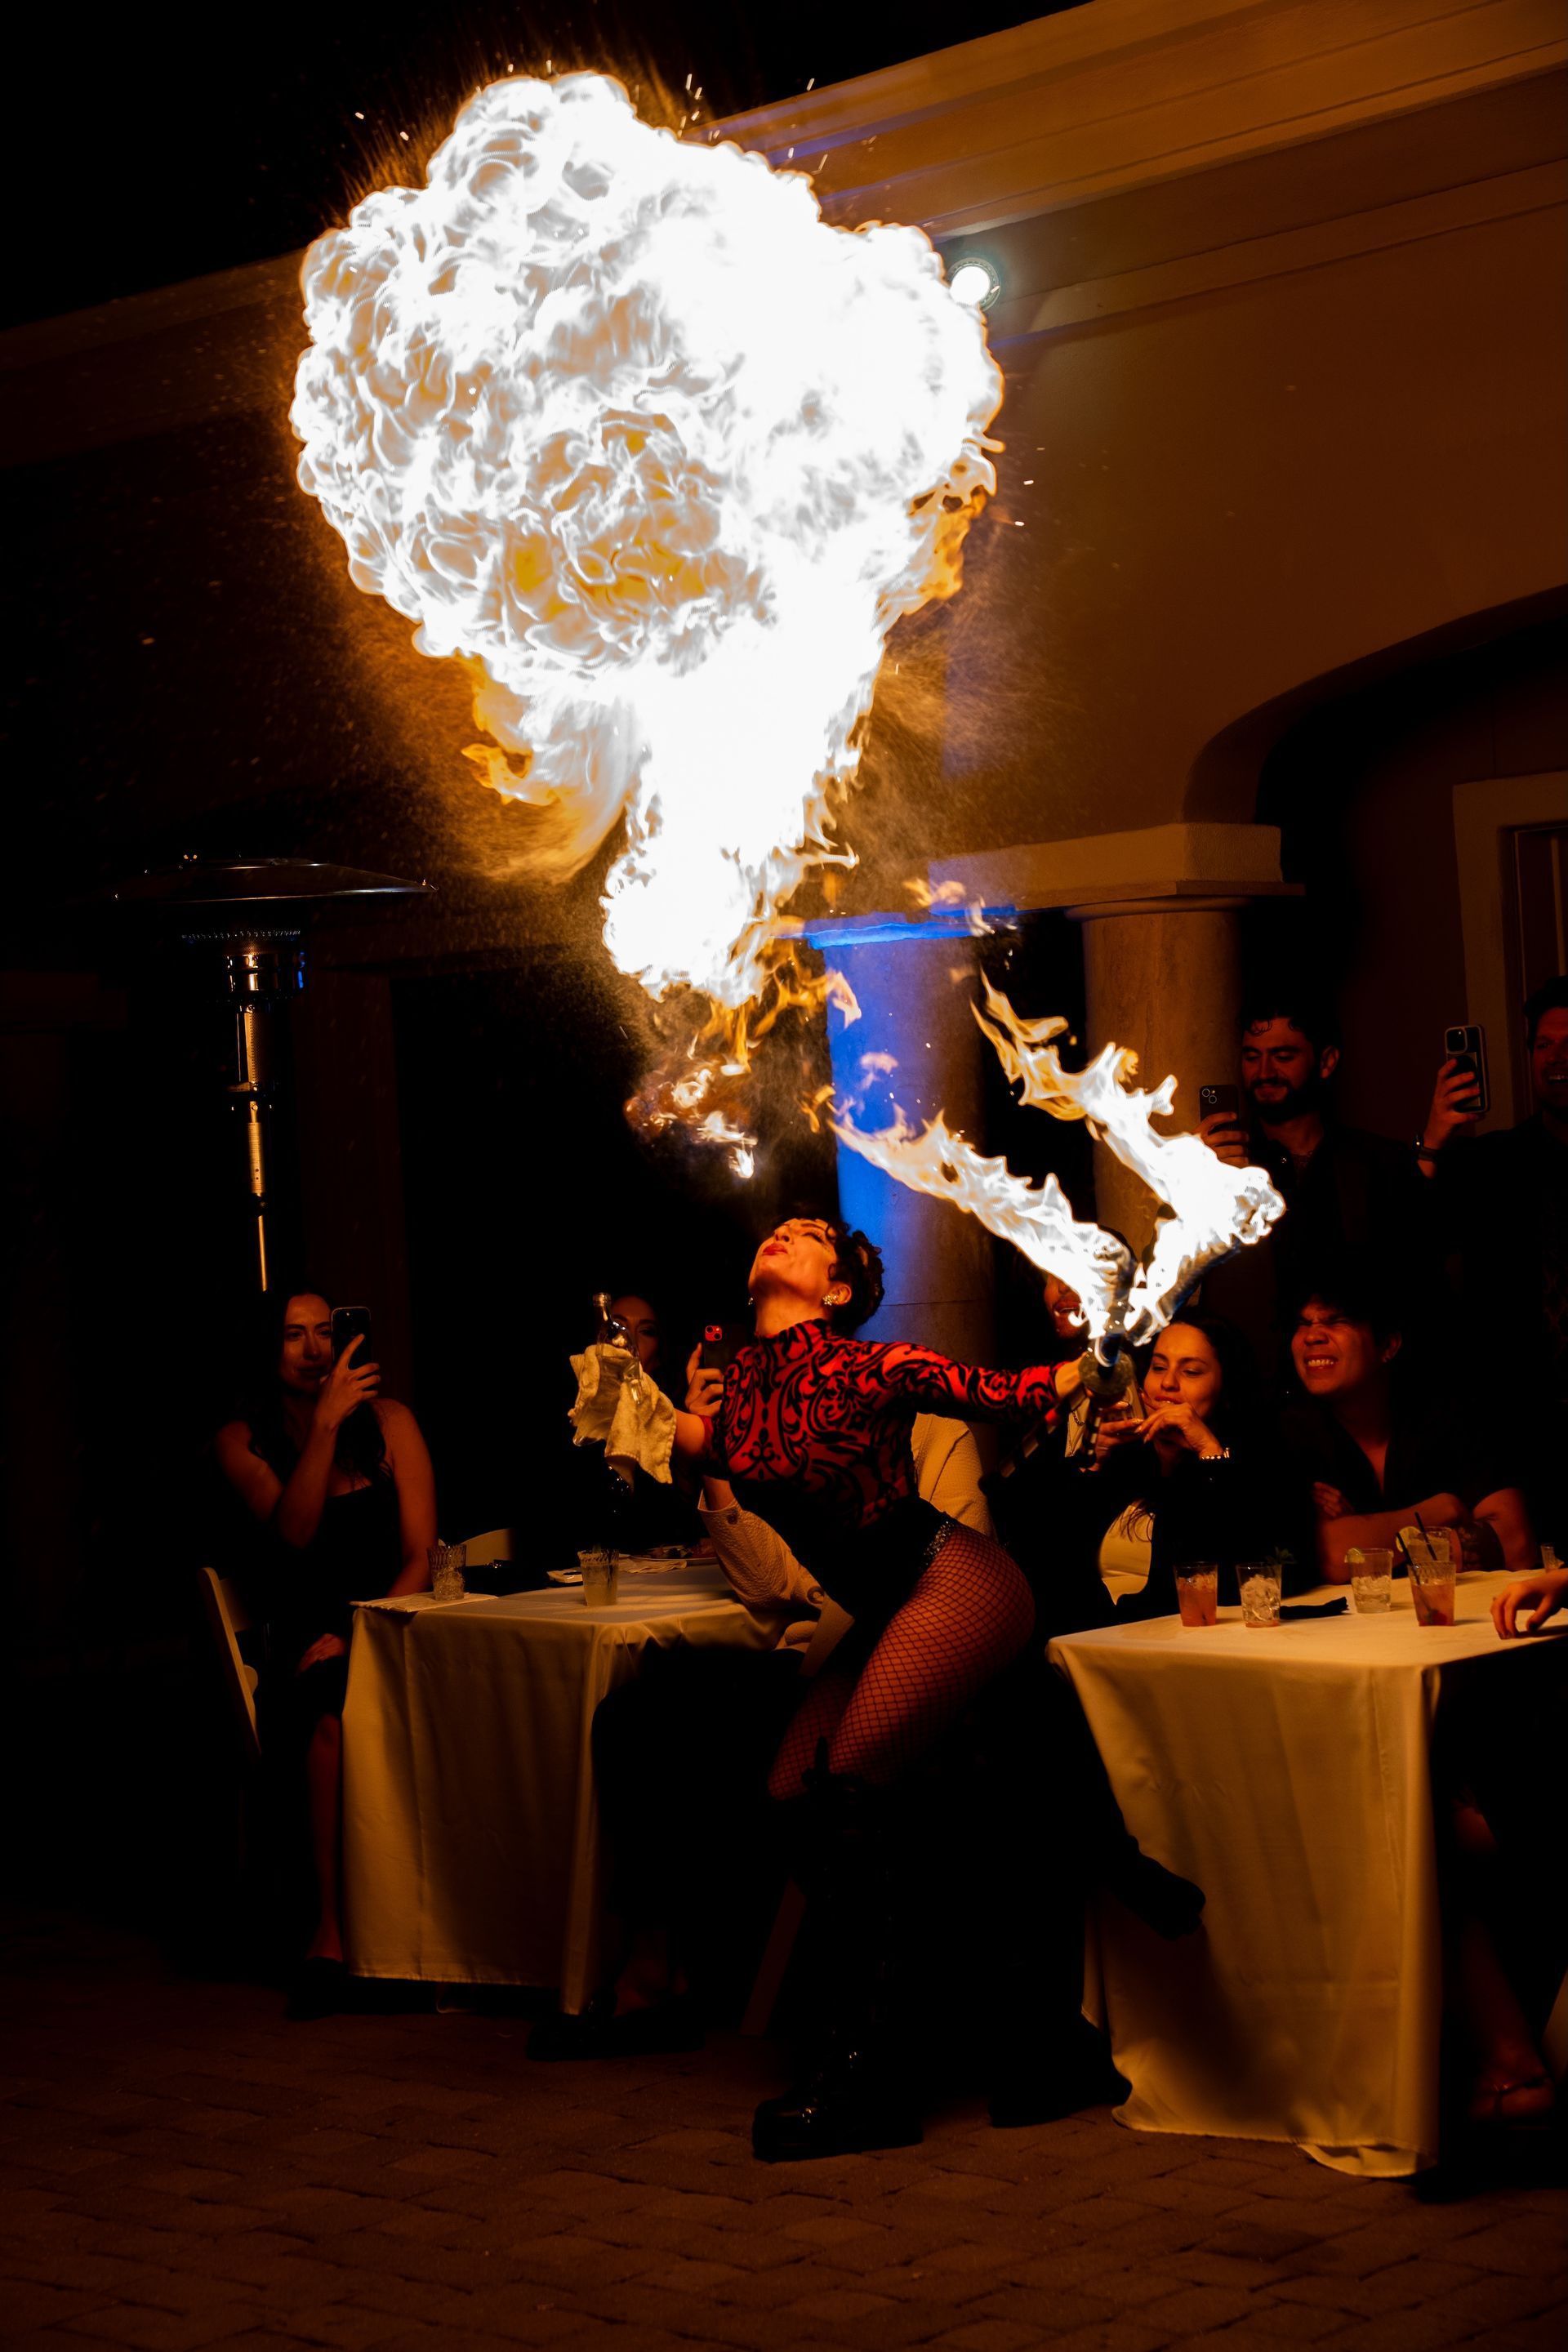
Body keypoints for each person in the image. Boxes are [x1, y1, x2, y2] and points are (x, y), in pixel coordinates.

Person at [663, 1214, 1186, 2161]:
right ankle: (928, 2022)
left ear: (837, 1292)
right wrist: (659, 1423)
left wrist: (1097, 1355)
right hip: (887, 1608)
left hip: (960, 1581)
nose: (784, 1234)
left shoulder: (873, 1367)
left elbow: (1014, 1390)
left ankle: (870, 2072)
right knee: (789, 1792)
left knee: (852, 1777)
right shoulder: (738, 1380)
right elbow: (700, 1454)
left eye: (810, 1234)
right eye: (778, 1228)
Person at [530, 1412, 996, 2064]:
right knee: (638, 1712)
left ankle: (843, 2013)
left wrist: (808, 1576)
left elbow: (948, 1582)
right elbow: (761, 1578)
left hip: (902, 1664)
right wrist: (718, 1469)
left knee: (781, 1766)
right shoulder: (777, 1431)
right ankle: (654, 1974)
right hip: (813, 1655)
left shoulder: (939, 1436)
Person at [215, 1289, 436, 2014]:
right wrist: (324, 1428)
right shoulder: (241, 1442)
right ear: (266, 1348)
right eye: (293, 1337)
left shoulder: (393, 1423)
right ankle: (332, 1933)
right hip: (305, 1647)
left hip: (386, 1628)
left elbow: (418, 1556)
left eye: (324, 1333)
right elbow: (293, 1539)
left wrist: (367, 1629)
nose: (314, 1351)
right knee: (327, 1702)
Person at [1200, 992, 1430, 1381]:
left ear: (1326, 1062)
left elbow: (1416, 1286)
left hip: (1362, 1392)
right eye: (1252, 1056)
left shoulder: (1377, 1162)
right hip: (1253, 1393)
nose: (1264, 1071)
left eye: (1283, 1056)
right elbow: (1172, 1281)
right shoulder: (1223, 1166)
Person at [1418, 975, 1568, 1526]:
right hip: (1521, 1427)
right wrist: (1435, 1136)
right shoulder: (1495, 1162)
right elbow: (1411, 1238)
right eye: (1545, 1045)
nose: (1557, 1059)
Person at [1278, 1266, 1537, 1582]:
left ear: (1388, 1346)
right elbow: (1333, 1556)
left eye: (1337, 1321)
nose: (1312, 1336)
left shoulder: (1448, 1417)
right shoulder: (1285, 1435)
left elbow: (1516, 1544)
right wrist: (1441, 1510)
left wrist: (1370, 1535)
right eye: (1303, 1324)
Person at [1087, 1312, 1313, 1614]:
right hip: (1099, 1640)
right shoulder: (1126, 1456)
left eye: (1191, 1372)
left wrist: (1209, 1452)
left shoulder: (1259, 1463)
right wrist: (1093, 1465)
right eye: (1158, 1367)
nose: (1168, 1383)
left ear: (1225, 1388)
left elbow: (1268, 1573)